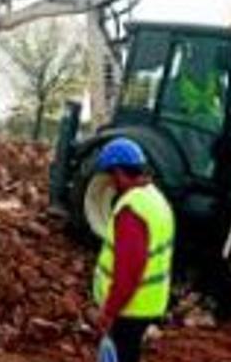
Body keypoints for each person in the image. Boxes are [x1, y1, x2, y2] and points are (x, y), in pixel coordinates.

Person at [92, 138, 175, 362]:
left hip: (130, 309)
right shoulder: (155, 199)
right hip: (147, 305)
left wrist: (109, 311)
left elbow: (128, 271)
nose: (110, 182)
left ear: (119, 172)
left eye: (111, 175)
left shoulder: (131, 210)